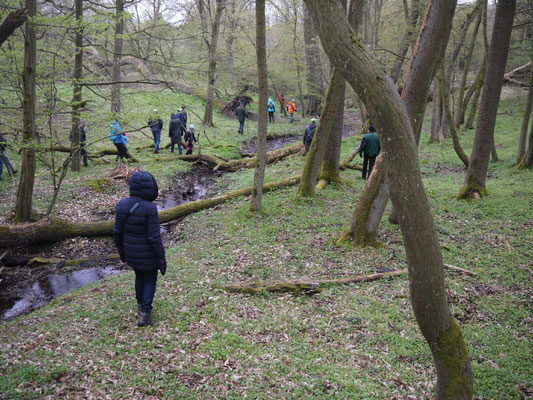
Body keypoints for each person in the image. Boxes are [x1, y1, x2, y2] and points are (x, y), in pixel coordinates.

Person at [113, 171, 167, 327]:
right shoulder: (150, 209)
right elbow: (154, 237)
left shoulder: (122, 204)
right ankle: (145, 313)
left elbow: (117, 232)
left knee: (139, 276)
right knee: (149, 279)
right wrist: (161, 258)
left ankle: (140, 307)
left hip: (131, 254)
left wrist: (122, 253)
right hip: (148, 255)